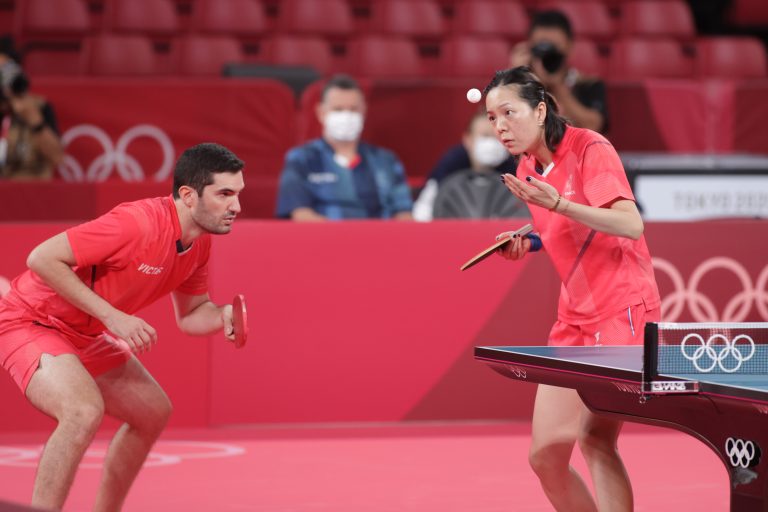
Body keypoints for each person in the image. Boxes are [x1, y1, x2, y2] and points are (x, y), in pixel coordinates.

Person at [0, 142, 245, 511]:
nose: (236, 207)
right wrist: (114, 317)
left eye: (238, 194)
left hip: (85, 333)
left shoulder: (199, 245)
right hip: (30, 318)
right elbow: (42, 258)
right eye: (224, 194)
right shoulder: (137, 223)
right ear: (188, 196)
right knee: (82, 411)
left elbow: (192, 314)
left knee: (152, 412)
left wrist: (222, 315)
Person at [485, 67, 660, 511]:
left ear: (540, 110)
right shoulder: (527, 167)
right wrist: (532, 243)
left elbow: (628, 222)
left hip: (620, 307)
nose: (500, 126)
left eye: (509, 112)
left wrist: (560, 203)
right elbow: (567, 229)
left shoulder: (589, 148)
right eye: (491, 118)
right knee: (545, 456)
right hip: (574, 317)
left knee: (595, 439)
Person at [275, 74, 413, 221]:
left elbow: (404, 214)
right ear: (321, 112)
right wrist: (343, 239)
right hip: (324, 241)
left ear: (363, 111)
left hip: (380, 240)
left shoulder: (386, 160)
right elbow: (300, 214)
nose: (346, 116)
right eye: (338, 109)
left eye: (353, 109)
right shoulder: (301, 159)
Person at [414, 110, 526, 220]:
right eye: (485, 136)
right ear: (468, 140)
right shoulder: (451, 163)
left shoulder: (517, 165)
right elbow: (424, 209)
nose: (492, 143)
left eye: (498, 136)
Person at [510, 10, 608, 133]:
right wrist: (516, 78)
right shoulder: (518, 83)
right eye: (541, 47)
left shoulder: (588, 85)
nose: (547, 56)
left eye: (553, 48)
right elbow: (497, 123)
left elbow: (594, 127)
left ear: (569, 46)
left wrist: (557, 86)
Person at [0, 36, 63, 180]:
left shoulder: (39, 106)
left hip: (31, 192)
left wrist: (34, 120)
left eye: (7, 72)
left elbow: (57, 158)